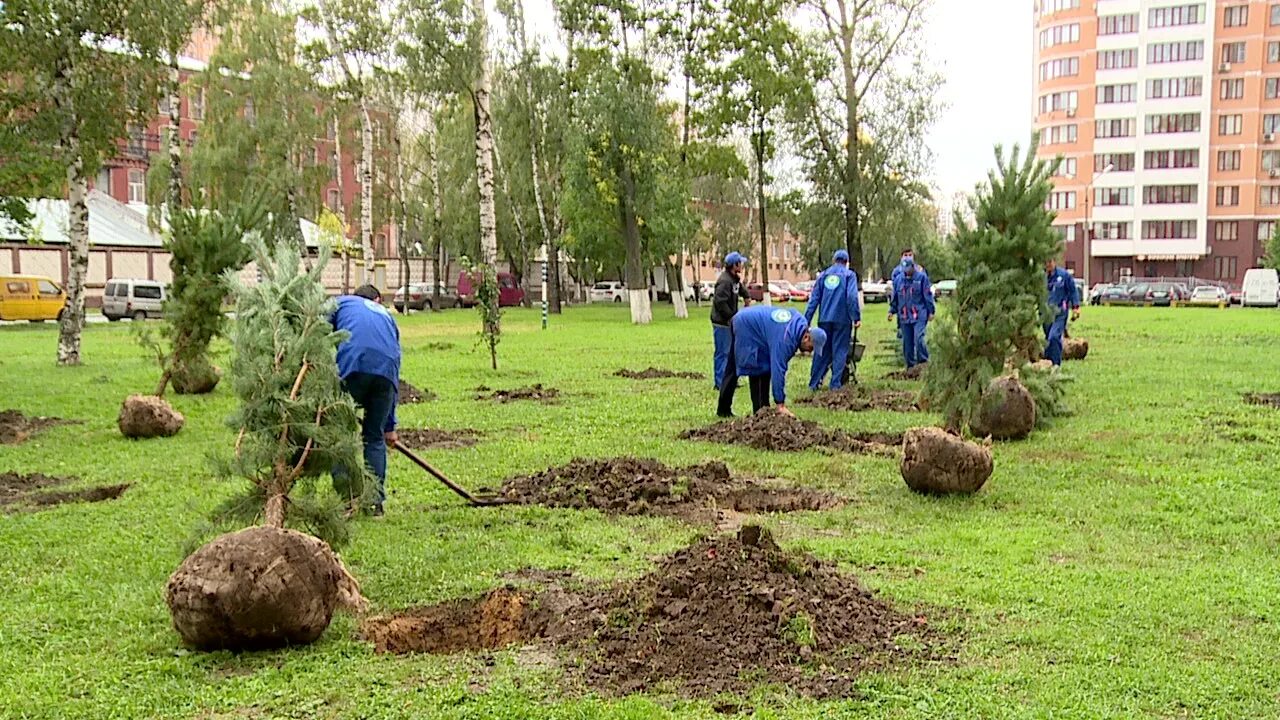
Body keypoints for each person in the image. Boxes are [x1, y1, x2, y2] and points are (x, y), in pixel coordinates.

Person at [332, 284, 401, 516]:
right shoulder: (387, 316)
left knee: (340, 435)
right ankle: (375, 503)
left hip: (354, 365)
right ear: (377, 299)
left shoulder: (342, 302)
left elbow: (316, 330)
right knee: (374, 437)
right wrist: (389, 426)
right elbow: (396, 366)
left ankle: (346, 501)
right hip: (386, 373)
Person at [717, 305, 827, 418]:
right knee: (757, 367)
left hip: (746, 319)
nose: (810, 351)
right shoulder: (786, 340)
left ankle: (723, 409)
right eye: (811, 347)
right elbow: (778, 369)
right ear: (806, 337)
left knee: (734, 367)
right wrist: (780, 403)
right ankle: (761, 413)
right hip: (747, 326)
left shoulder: (800, 324)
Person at [805, 249, 861, 391]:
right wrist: (856, 317)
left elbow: (814, 300)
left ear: (834, 260)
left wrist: (806, 321)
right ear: (846, 262)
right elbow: (852, 297)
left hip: (824, 319)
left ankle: (814, 383)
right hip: (842, 320)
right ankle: (835, 384)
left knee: (821, 351)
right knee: (840, 350)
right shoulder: (849, 275)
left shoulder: (823, 275)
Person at [710, 251, 751, 391]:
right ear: (734, 265)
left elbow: (741, 289)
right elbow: (720, 302)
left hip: (730, 322)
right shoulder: (724, 281)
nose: (742, 266)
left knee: (732, 352)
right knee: (722, 352)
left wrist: (747, 297)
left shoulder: (734, 279)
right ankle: (720, 382)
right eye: (740, 263)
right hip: (722, 323)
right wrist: (731, 317)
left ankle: (730, 380)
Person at [889, 258, 934, 369]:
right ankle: (910, 367)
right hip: (904, 316)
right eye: (904, 269)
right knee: (907, 344)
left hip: (919, 314)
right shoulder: (898, 280)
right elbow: (895, 298)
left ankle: (923, 363)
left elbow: (927, 296)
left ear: (913, 267)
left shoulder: (921, 278)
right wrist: (891, 311)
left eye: (908, 269)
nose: (906, 271)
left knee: (919, 339)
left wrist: (931, 311)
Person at [1043, 258, 1081, 366]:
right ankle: (1048, 363)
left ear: (1054, 262)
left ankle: (1056, 365)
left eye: (1050, 262)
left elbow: (1073, 291)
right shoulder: (1041, 277)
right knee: (1048, 340)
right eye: (1046, 262)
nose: (1048, 265)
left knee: (1054, 337)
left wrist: (1075, 307)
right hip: (1045, 314)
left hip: (1060, 313)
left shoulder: (1064, 276)